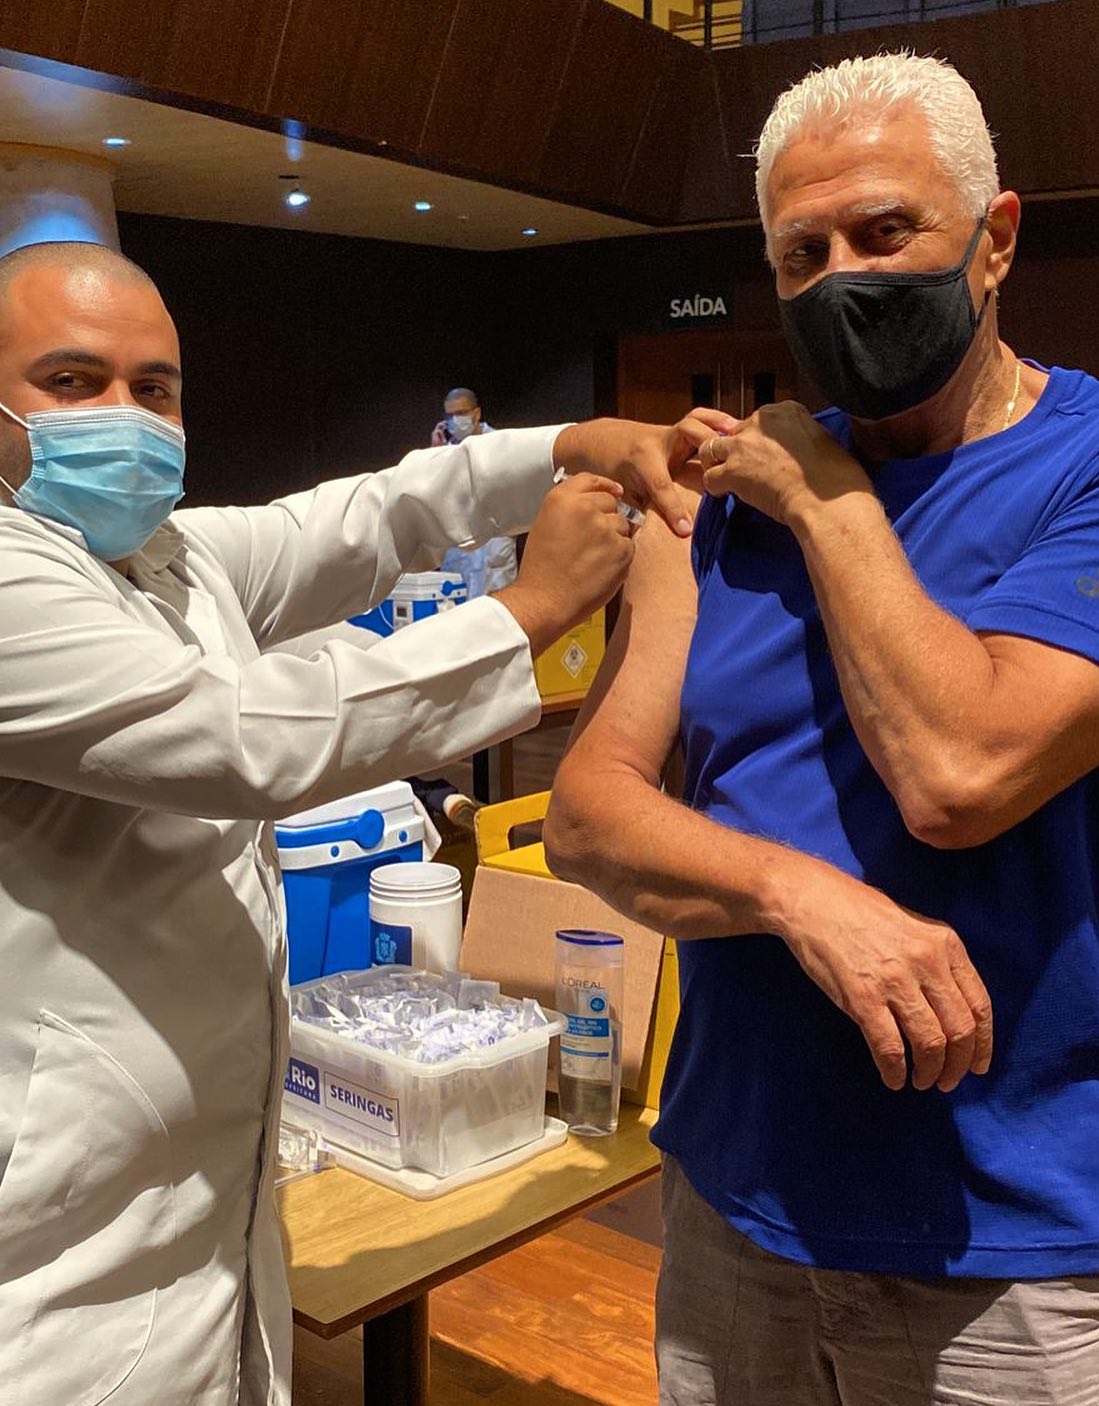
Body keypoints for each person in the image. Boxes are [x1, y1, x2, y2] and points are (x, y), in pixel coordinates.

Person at [0, 239, 717, 1405]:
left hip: (197, 1189)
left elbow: (369, 515)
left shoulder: (168, 560)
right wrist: (532, 605)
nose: (125, 416)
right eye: (73, 382)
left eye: (155, 387)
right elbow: (252, 738)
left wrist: (577, 445)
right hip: (54, 1236)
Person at [545, 52, 1099, 1405]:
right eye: (800, 254)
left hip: (1013, 1241)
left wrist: (822, 497)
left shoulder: (1097, 465)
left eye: (883, 232)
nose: (840, 280)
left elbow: (960, 768)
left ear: (995, 241)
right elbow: (589, 812)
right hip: (734, 1200)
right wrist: (798, 894)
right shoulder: (712, 509)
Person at [430, 386, 519, 597]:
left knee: (497, 607)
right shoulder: (445, 450)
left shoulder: (501, 444)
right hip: (459, 549)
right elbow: (433, 497)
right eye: (450, 415)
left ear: (476, 413)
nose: (455, 420)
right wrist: (435, 456)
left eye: (461, 413)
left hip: (494, 547)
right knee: (458, 607)